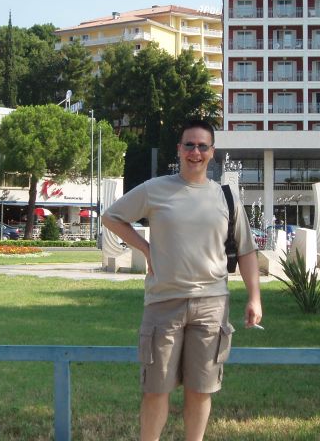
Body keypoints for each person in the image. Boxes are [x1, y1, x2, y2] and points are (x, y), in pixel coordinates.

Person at [102, 119, 262, 441]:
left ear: (212, 152)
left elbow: (246, 250)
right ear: (179, 149)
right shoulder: (155, 189)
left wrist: (254, 298)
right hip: (164, 303)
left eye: (202, 146)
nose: (195, 152)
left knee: (201, 390)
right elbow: (112, 217)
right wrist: (146, 248)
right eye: (189, 145)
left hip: (211, 306)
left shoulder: (226, 197)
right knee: (155, 390)